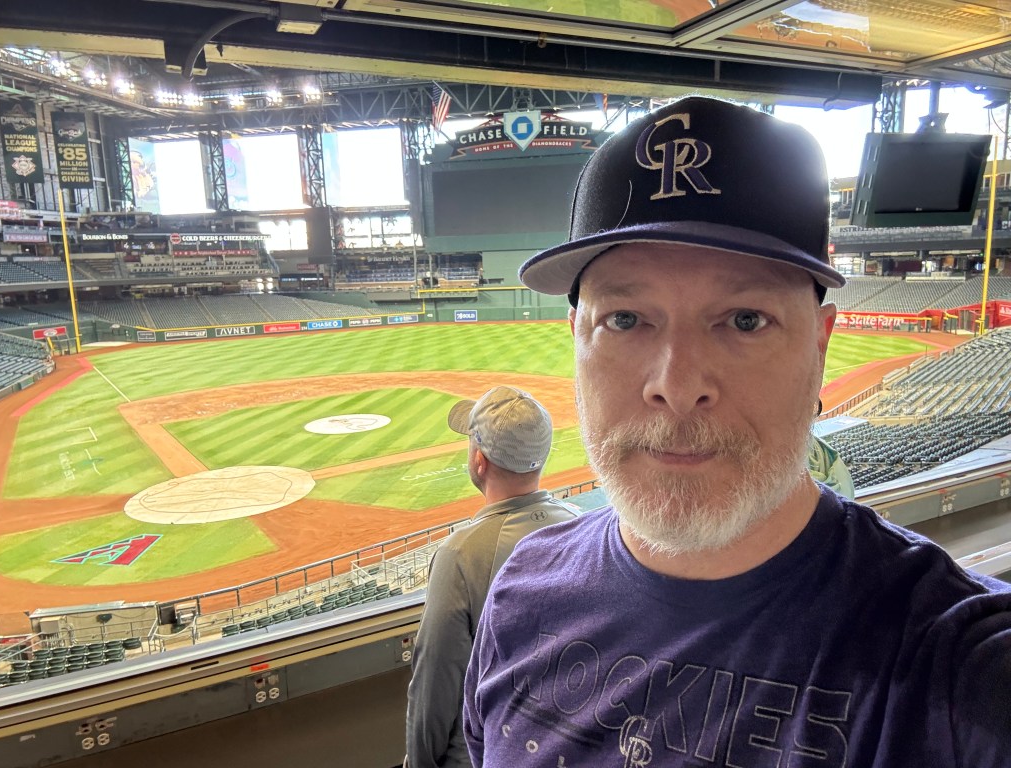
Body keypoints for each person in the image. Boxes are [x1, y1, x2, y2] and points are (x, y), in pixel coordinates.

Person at [464, 97, 1011, 767]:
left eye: (745, 320)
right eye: (625, 320)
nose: (677, 384)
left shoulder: (957, 665)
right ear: (576, 338)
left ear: (820, 346)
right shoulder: (518, 596)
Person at [405, 385, 579, 768]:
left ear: (479, 461)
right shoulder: (581, 527)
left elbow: (434, 685)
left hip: (483, 753)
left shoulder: (460, 554)